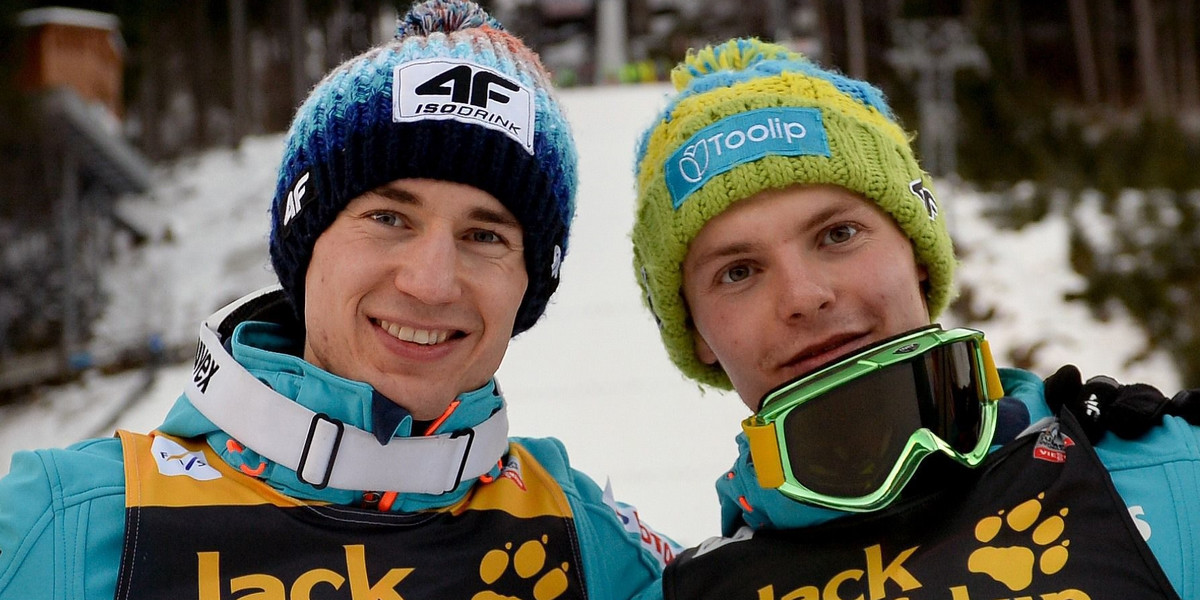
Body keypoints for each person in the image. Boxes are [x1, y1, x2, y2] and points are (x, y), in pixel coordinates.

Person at [0, 2, 676, 598]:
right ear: (306, 239)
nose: (431, 282)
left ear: (531, 282)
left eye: (484, 234)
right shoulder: (65, 524)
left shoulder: (591, 546)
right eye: (388, 217)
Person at [629, 38, 1199, 599]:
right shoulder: (692, 590)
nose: (804, 295)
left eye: (839, 234)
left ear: (919, 252)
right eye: (739, 272)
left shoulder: (1174, 479)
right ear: (695, 331)